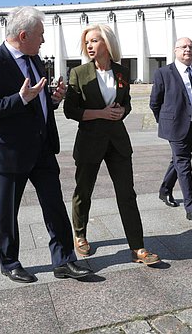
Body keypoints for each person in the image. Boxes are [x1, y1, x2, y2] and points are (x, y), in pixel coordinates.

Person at [0, 6, 92, 283]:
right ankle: (9, 262)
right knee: (6, 211)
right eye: (40, 35)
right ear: (23, 35)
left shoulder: (35, 59)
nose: (44, 40)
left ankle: (64, 261)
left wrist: (54, 100)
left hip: (41, 147)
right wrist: (20, 98)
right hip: (8, 151)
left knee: (54, 206)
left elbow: (36, 102)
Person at [63, 24, 160, 266]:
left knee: (127, 194)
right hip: (89, 141)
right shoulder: (79, 73)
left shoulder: (122, 72)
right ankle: (80, 234)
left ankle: (137, 247)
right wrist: (101, 113)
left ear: (107, 43)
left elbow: (126, 103)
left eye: (94, 41)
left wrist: (121, 111)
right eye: (87, 43)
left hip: (117, 142)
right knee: (83, 191)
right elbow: (70, 110)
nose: (89, 46)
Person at [149, 37, 192, 224]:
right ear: (175, 50)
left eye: (191, 47)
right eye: (183, 47)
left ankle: (164, 190)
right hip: (175, 125)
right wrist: (164, 121)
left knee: (179, 159)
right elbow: (155, 102)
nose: (187, 50)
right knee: (184, 164)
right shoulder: (164, 73)